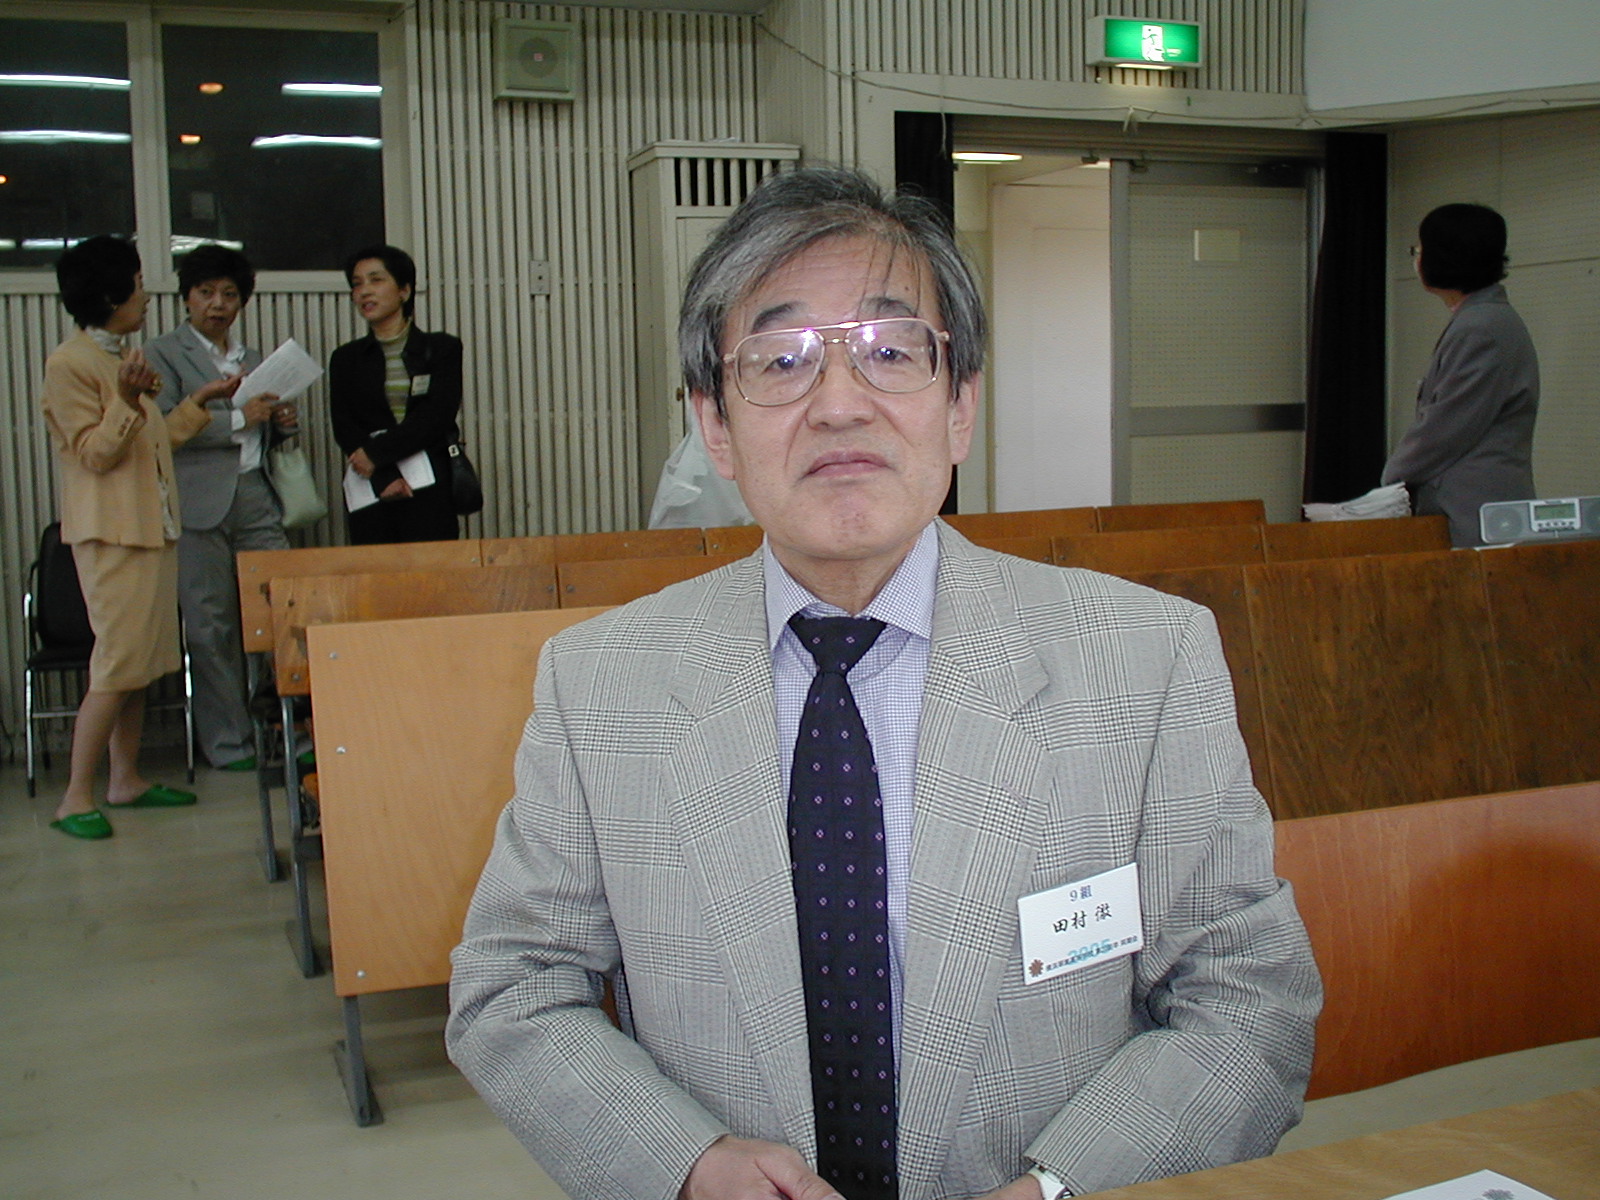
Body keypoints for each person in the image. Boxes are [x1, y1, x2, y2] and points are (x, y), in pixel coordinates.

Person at [447, 168, 1320, 1200]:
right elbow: (514, 984)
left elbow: (1246, 997)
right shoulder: (602, 684)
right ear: (714, 424)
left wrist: (1062, 1188)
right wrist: (683, 1165)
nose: (839, 405)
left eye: (891, 351)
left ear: (960, 406)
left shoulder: (1144, 660)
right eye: (780, 359)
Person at [40, 236, 240, 839]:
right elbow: (94, 454)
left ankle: (123, 780)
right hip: (112, 535)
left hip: (152, 528)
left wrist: (199, 402)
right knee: (117, 664)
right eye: (136, 283)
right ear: (110, 295)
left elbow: (155, 442)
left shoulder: (121, 355)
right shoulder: (70, 363)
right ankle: (74, 796)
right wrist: (127, 400)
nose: (147, 295)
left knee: (143, 663)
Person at [143, 244, 300, 771]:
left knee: (280, 611)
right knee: (210, 625)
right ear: (186, 297)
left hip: (255, 492)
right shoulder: (161, 354)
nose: (218, 304)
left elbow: (260, 429)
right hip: (195, 500)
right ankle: (230, 742)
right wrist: (239, 418)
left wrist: (281, 424)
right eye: (206, 292)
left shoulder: (253, 360)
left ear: (242, 301)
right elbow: (162, 428)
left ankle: (288, 730)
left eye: (229, 294)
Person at [1381, 203, 1539, 547]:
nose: (1417, 257)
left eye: (1420, 249)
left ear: (1444, 257)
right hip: (1472, 508)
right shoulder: (1480, 320)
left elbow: (1445, 427)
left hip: (1473, 513)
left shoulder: (1481, 328)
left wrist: (1389, 482)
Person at [328, 244, 462, 544]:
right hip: (371, 486)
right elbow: (344, 425)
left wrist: (376, 455)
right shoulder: (346, 358)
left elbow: (436, 416)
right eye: (357, 284)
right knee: (375, 567)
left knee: (434, 567)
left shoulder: (441, 348)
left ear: (404, 290)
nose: (364, 291)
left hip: (429, 484)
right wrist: (382, 476)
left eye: (376, 280)